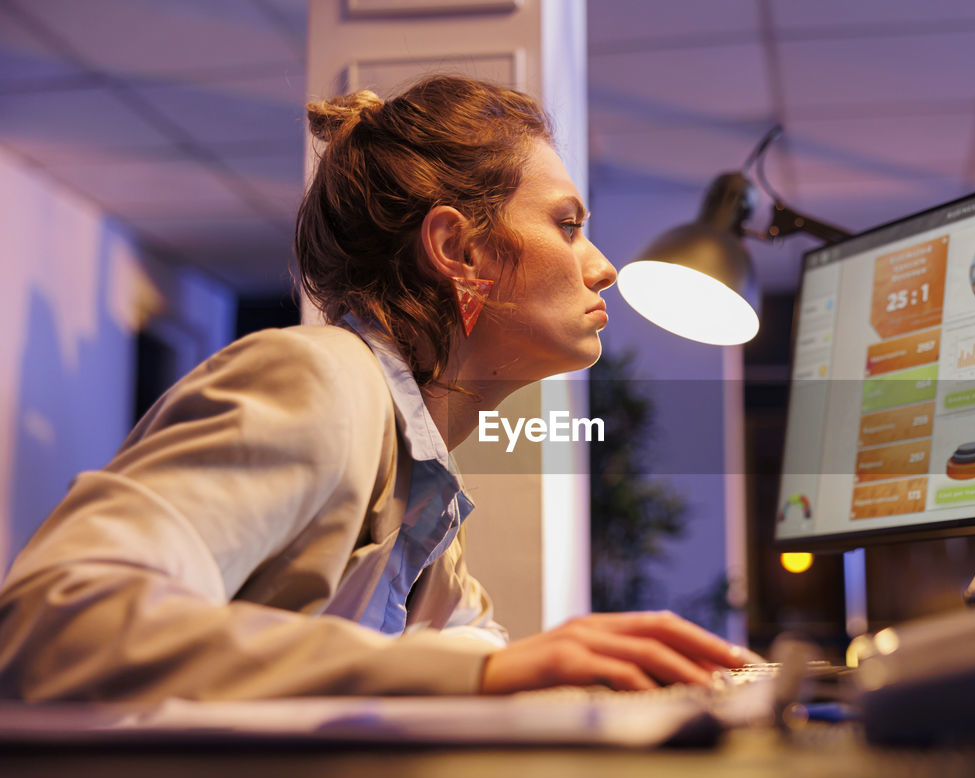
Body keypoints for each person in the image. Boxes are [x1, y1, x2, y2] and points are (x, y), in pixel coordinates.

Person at [0, 75, 748, 702]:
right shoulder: (321, 380)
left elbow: (467, 652)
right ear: (459, 250)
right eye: (570, 224)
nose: (603, 266)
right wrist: (481, 672)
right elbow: (54, 621)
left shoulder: (420, 478)